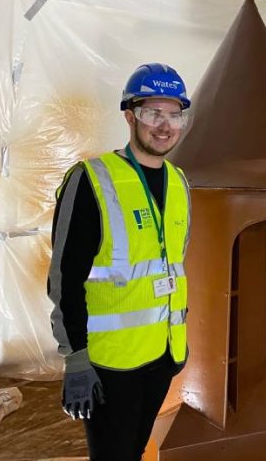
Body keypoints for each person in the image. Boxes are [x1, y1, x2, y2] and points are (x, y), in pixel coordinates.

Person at [47, 63, 192, 461]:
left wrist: (178, 333)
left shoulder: (180, 183)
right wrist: (74, 358)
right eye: (152, 113)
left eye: (174, 114)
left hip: (162, 356)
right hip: (109, 363)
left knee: (134, 451)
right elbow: (65, 277)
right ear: (130, 116)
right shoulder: (92, 179)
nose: (164, 126)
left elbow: (171, 266)